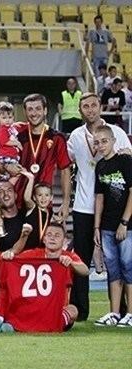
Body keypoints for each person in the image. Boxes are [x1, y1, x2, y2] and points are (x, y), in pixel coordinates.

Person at [67, 92, 132, 321]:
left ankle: (123, 312)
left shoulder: (118, 132)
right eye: (85, 106)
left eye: (94, 105)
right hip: (84, 206)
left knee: (122, 260)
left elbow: (127, 162)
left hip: (113, 208)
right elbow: (68, 162)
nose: (90, 109)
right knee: (81, 259)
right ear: (80, 111)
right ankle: (81, 311)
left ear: (99, 107)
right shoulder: (75, 136)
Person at [0, 223, 87, 333]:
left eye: (57, 235)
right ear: (44, 239)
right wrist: (8, 255)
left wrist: (71, 263)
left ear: (64, 241)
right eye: (49, 234)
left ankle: (52, 323)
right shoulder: (33, 254)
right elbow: (14, 259)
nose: (52, 238)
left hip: (56, 309)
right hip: (33, 306)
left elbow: (85, 271)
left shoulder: (68, 256)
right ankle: (18, 323)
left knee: (73, 310)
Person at [93, 124, 132, 327]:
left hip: (127, 226)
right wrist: (97, 228)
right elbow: (99, 197)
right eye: (97, 142)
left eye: (104, 141)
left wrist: (124, 222)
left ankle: (131, 314)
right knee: (113, 271)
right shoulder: (100, 166)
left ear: (113, 141)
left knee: (129, 269)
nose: (100, 145)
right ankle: (114, 313)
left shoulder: (125, 161)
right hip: (106, 226)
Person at [17, 94, 71, 221]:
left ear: (45, 110)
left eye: (38, 109)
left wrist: (66, 202)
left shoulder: (56, 138)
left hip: (43, 201)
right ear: (25, 112)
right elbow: (4, 166)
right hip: (18, 201)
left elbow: (65, 170)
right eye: (30, 109)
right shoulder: (18, 137)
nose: (34, 113)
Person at [0, 102, 23, 180]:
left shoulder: (9, 128)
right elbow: (5, 142)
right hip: (7, 157)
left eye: (10, 117)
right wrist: (17, 143)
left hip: (12, 156)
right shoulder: (2, 129)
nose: (7, 120)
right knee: (15, 175)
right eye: (4, 118)